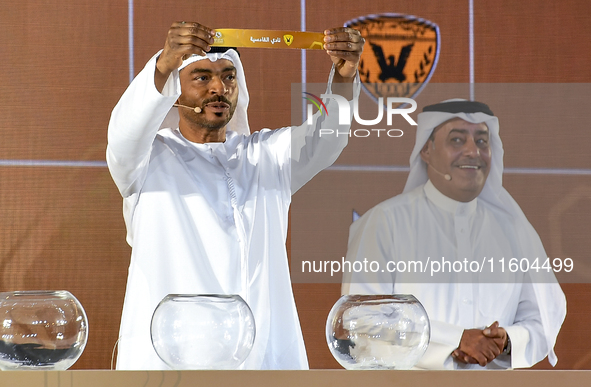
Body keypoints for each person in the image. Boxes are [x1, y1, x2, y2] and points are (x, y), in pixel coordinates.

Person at [107, 21, 364, 370]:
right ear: (174, 93)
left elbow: (327, 137)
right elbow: (124, 133)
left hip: (264, 361)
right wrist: (165, 63)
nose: (219, 87)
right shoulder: (147, 161)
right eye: (201, 77)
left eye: (228, 77)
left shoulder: (266, 156)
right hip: (173, 366)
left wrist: (345, 77)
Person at [342, 99, 566, 369]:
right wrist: (454, 340)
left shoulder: (515, 230)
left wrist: (507, 341)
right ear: (426, 150)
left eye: (482, 142)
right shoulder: (386, 222)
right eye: (457, 140)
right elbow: (360, 320)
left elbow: (544, 317)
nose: (473, 151)